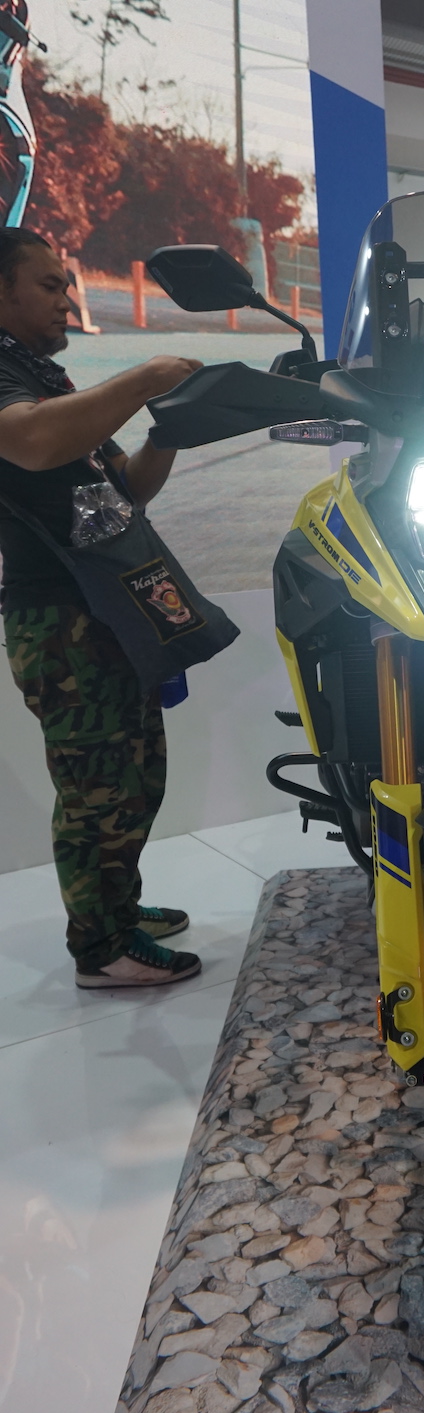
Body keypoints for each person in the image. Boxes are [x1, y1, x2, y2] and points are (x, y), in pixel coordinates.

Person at [0, 227, 206, 986]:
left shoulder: (47, 380)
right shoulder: (10, 384)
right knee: (97, 787)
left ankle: (116, 908)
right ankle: (101, 949)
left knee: (135, 775)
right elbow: (28, 443)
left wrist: (171, 428)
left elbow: (129, 486)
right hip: (60, 620)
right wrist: (143, 379)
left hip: (105, 608)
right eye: (49, 284)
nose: (66, 299)